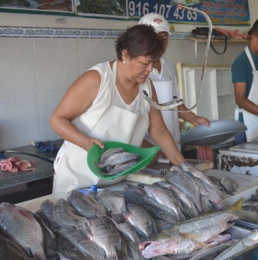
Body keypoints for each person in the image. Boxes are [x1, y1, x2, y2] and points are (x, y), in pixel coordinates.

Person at [50, 24, 186, 193]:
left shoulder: (147, 86)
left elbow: (158, 130)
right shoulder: (97, 79)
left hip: (115, 179)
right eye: (144, 63)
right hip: (77, 179)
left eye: (153, 62)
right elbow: (57, 119)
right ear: (125, 55)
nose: (150, 69)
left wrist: (184, 166)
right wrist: (86, 143)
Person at [138, 13, 210, 158]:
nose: (160, 43)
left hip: (172, 144)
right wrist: (150, 150)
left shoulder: (168, 66)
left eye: (164, 38)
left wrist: (193, 118)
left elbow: (174, 103)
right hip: (149, 149)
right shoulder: (137, 70)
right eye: (156, 38)